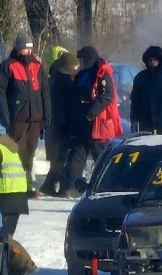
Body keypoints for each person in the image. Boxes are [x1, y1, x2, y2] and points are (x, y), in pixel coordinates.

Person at [0, 34, 50, 196]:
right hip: (17, 118)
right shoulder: (7, 66)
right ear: (18, 48)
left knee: (30, 153)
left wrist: (46, 116)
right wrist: (5, 117)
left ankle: (27, 186)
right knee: (15, 153)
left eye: (30, 48)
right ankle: (15, 187)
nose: (27, 51)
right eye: (25, 48)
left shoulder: (37, 67)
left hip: (35, 118)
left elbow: (45, 92)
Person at [64, 46, 123, 198]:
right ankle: (72, 186)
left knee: (101, 155)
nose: (81, 63)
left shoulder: (102, 73)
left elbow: (108, 95)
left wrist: (91, 112)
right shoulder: (83, 73)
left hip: (97, 122)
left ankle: (111, 184)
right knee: (78, 153)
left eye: (83, 59)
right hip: (81, 120)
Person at [39, 52, 79, 197]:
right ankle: (59, 187)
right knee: (62, 159)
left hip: (52, 125)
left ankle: (50, 186)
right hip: (62, 126)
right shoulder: (66, 82)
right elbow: (66, 106)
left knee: (57, 159)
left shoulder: (52, 80)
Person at [130, 46, 162, 132]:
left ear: (160, 60)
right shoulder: (140, 77)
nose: (152, 62)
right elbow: (135, 100)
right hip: (145, 118)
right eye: (150, 59)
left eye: (155, 59)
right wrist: (134, 119)